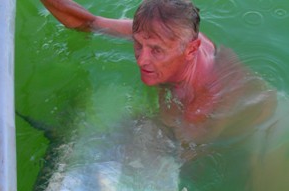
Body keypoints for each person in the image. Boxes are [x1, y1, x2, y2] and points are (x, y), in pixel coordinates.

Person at [40, 0, 275, 142]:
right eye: (137, 44)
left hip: (262, 126)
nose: (142, 60)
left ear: (191, 50)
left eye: (156, 51)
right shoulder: (163, 34)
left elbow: (191, 166)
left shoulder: (199, 102)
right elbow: (86, 23)